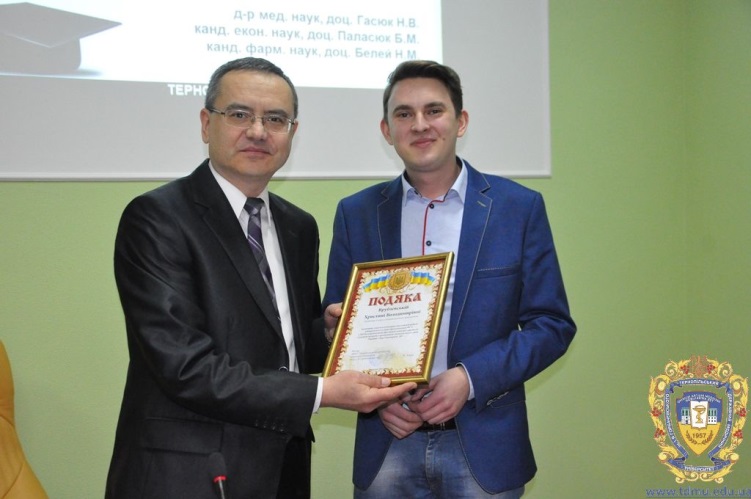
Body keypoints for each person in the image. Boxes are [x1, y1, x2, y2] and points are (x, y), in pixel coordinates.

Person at [105, 57, 416, 499]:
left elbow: (285, 346)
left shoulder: (298, 226)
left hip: (283, 469)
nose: (257, 131)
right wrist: (321, 392)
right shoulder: (157, 218)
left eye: (275, 119)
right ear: (206, 123)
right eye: (239, 114)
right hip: (190, 475)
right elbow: (185, 366)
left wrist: (331, 334)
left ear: (292, 132)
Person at [323, 60, 576, 498]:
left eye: (434, 110)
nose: (420, 124)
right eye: (404, 114)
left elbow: (551, 325)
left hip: (485, 442)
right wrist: (375, 393)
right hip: (388, 438)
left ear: (460, 121)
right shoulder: (356, 213)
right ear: (387, 130)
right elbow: (336, 325)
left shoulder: (517, 208)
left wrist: (469, 378)